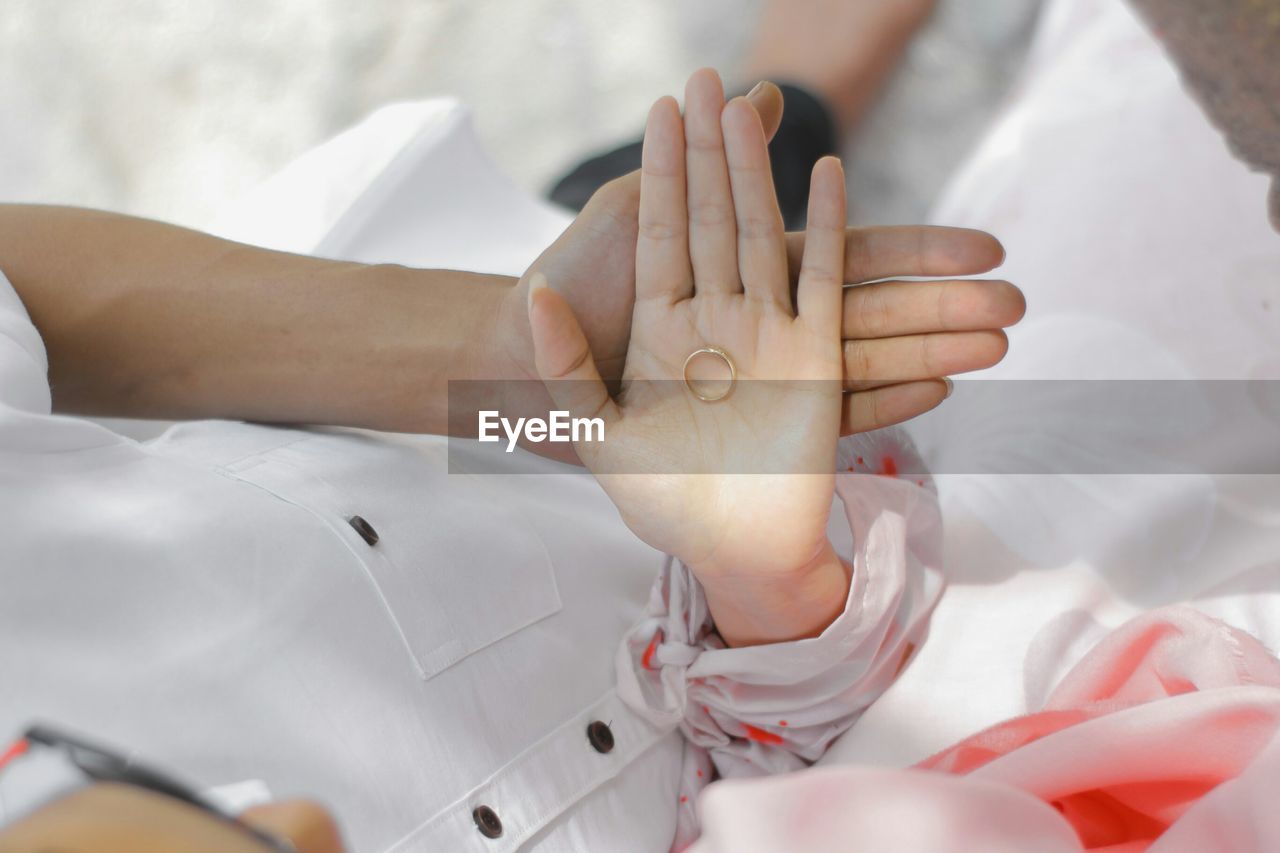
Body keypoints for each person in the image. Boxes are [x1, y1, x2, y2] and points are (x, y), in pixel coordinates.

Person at [0, 52, 1021, 853]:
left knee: (731, 178)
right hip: (774, 586)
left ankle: (804, 74)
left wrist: (501, 364)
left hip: (447, 405)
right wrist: (763, 582)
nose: (305, 822)